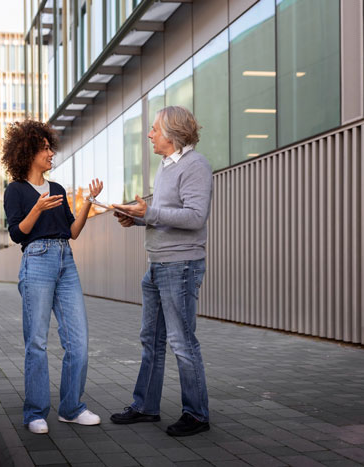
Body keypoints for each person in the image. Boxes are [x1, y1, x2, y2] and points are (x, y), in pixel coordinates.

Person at [110, 106, 213, 437]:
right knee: (151, 340)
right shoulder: (166, 166)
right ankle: (145, 406)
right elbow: (165, 214)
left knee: (182, 342)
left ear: (171, 134)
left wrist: (150, 212)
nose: (150, 135)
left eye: (154, 129)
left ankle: (196, 414)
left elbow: (195, 217)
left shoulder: (195, 165)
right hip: (156, 264)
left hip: (180, 266)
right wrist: (136, 217)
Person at [2, 119, 103, 434]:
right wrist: (37, 208)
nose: (50, 153)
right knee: (37, 341)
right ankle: (35, 412)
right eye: (44, 148)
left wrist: (87, 202)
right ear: (28, 152)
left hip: (65, 261)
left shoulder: (57, 189)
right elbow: (18, 234)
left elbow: (72, 232)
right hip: (37, 261)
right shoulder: (16, 190)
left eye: (49, 147)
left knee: (79, 341)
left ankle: (72, 407)